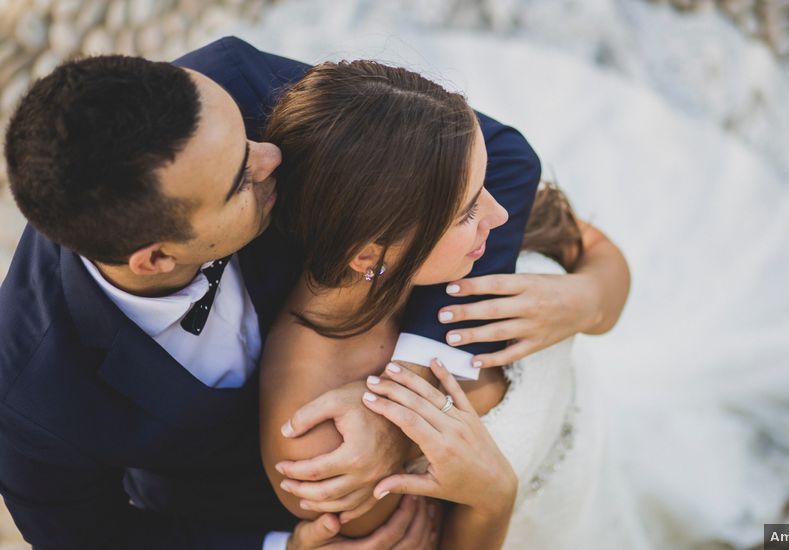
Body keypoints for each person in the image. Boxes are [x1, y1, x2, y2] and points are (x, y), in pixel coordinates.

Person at [0, 37, 630, 550]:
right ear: (159, 258)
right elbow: (94, 542)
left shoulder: (231, 96)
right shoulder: (31, 401)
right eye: (242, 177)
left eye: (249, 138)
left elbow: (501, 157)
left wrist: (403, 401)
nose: (274, 154)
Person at [258, 60, 630, 548]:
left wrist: (588, 299)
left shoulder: (445, 201)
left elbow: (595, 250)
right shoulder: (324, 447)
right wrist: (494, 498)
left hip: (592, 447)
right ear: (369, 254)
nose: (499, 215)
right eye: (469, 211)